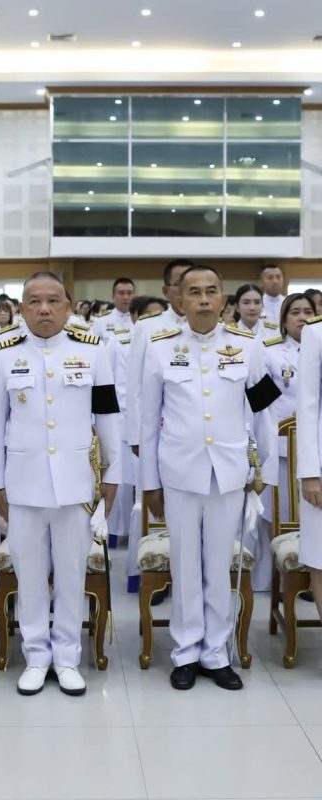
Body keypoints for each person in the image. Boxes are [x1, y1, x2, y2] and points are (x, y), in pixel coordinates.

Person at [140, 265, 279, 691]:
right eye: (194, 292)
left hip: (229, 472)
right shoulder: (159, 347)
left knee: (219, 565)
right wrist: (149, 483)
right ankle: (185, 652)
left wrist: (263, 469)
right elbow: (147, 421)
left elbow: (264, 412)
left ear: (223, 300)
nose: (203, 299)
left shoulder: (247, 346)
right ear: (179, 301)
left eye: (211, 291)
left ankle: (216, 653)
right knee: (185, 564)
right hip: (179, 473)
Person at [0, 272, 120, 696]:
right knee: (28, 575)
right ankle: (35, 656)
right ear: (21, 308)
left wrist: (113, 475)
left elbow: (108, 417)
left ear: (68, 306)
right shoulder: (2, 353)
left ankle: (66, 657)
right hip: (22, 484)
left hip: (77, 484)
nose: (44, 309)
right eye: (34, 302)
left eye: (53, 301)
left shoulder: (93, 351)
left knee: (71, 574)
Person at [255, 293, 317, 592]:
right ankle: (277, 578)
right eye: (295, 312)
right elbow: (261, 401)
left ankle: (311, 578)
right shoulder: (271, 352)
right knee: (277, 515)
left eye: (308, 311)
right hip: (282, 446)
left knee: (312, 518)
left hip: (315, 448)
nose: (302, 317)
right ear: (283, 319)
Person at [110, 296, 167, 589]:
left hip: (179, 435)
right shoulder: (127, 338)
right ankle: (145, 571)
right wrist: (133, 434)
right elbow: (129, 387)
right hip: (137, 425)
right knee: (142, 501)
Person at [124, 258, 193, 454]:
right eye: (179, 283)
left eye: (191, 285)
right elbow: (135, 384)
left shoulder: (210, 327)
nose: (185, 290)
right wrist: (135, 435)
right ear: (166, 291)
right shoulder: (147, 326)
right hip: (158, 428)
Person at [297, 310, 322, 623]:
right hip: (321, 467)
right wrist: (309, 473)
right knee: (321, 555)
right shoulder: (316, 333)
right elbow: (306, 406)